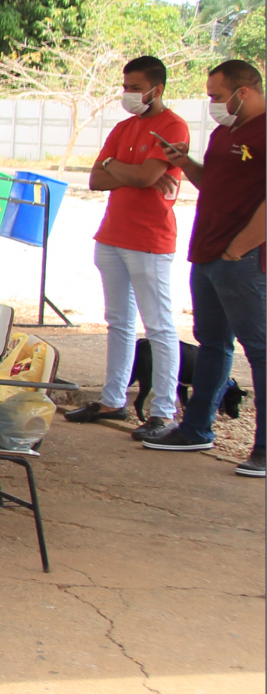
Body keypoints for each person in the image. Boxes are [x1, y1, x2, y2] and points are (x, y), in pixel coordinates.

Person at [140, 60, 264, 474]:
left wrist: (239, 248)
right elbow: (214, 182)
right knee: (212, 343)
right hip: (209, 252)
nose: (213, 104)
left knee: (260, 350)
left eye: (216, 95)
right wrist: (186, 162)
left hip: (241, 258)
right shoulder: (225, 131)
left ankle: (262, 447)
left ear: (242, 91)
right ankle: (196, 428)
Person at [63, 56, 189, 441]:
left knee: (159, 325)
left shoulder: (174, 126)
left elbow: (145, 174)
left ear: (157, 89)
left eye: (135, 87)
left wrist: (128, 172)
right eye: (126, 86)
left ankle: (162, 411)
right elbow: (96, 178)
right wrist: (129, 172)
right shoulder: (124, 127)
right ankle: (112, 399)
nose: (128, 94)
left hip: (149, 240)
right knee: (118, 321)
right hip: (112, 235)